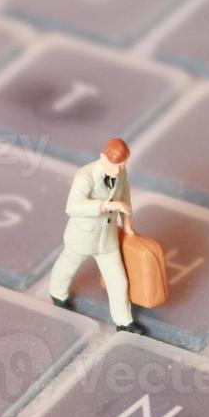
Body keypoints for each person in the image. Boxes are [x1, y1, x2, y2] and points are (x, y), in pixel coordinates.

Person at [49, 137, 145, 335]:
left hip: (107, 239)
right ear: (102, 157)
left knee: (118, 280)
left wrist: (127, 226)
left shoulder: (121, 173)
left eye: (122, 165)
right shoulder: (85, 176)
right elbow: (72, 207)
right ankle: (57, 294)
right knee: (68, 265)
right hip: (82, 235)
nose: (118, 170)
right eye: (114, 164)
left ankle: (124, 322)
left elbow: (125, 200)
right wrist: (106, 206)